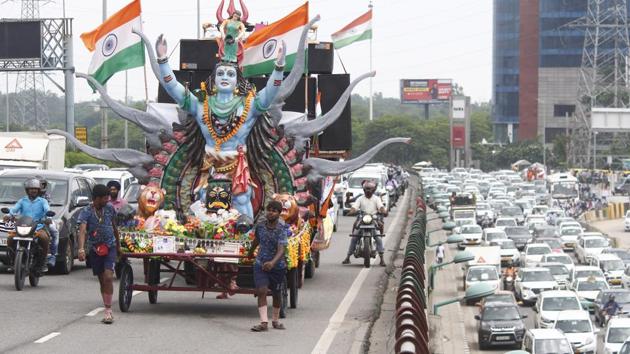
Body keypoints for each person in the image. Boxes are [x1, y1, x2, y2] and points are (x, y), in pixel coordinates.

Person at [77, 184, 122, 324]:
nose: (107, 201)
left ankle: (108, 311)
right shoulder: (86, 211)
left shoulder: (109, 209)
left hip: (110, 246)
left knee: (109, 276)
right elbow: (82, 231)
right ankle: (106, 304)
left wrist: (119, 246)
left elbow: (114, 226)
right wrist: (81, 249)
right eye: (104, 198)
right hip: (95, 249)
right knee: (102, 280)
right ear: (96, 199)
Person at [246, 201, 288, 332]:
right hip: (260, 264)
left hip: (277, 267)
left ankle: (275, 320)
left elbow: (281, 250)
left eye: (274, 210)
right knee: (262, 290)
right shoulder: (260, 226)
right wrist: (250, 252)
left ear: (279, 213)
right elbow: (257, 240)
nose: (271, 212)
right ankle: (264, 322)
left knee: (276, 293)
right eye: (269, 210)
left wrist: (272, 263)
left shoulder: (281, 230)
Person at [4, 178, 51, 273]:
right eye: (31, 189)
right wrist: (9, 215)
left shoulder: (43, 201)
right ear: (27, 190)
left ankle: (42, 263)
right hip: (23, 227)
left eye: (35, 189)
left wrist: (48, 216)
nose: (33, 190)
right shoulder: (22, 201)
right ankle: (13, 262)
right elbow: (14, 210)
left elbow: (47, 210)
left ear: (38, 190)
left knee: (44, 238)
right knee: (10, 238)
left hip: (38, 227)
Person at [342, 181, 388, 266]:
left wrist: (383, 211)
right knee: (354, 237)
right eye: (366, 189)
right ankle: (348, 257)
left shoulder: (376, 198)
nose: (368, 191)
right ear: (363, 190)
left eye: (370, 189)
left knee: (378, 238)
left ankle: (381, 259)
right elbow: (354, 207)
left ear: (373, 190)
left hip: (373, 218)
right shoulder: (360, 198)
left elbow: (381, 207)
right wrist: (351, 212)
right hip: (362, 218)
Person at [35, 176, 60, 268]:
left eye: (41, 185)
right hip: (29, 220)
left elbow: (47, 209)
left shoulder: (45, 197)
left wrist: (48, 218)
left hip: (43, 220)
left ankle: (53, 255)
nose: (38, 187)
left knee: (54, 231)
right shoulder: (27, 197)